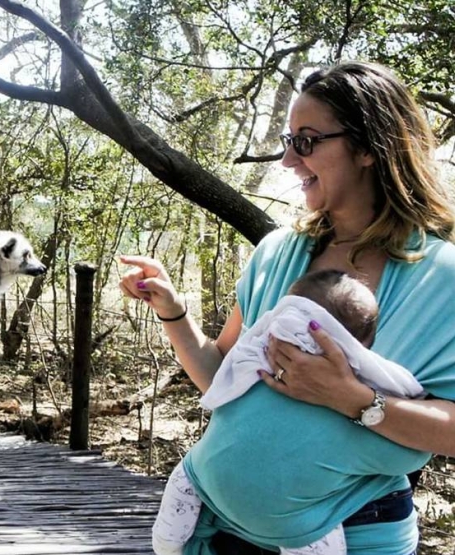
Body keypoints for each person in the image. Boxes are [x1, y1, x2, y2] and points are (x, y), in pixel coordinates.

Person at [119, 61, 455, 554]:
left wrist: (354, 399)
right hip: (226, 528)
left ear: (367, 148)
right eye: (287, 139)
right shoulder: (277, 253)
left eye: (306, 141)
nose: (287, 161)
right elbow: (222, 377)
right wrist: (173, 310)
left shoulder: (443, 278)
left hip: (358, 531)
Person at [152, 270, 425, 555]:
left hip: (204, 485)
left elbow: (216, 384)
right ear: (360, 348)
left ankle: (166, 545)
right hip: (295, 525)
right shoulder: (346, 413)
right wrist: (365, 401)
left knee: (183, 485)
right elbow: (409, 456)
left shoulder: (248, 367)